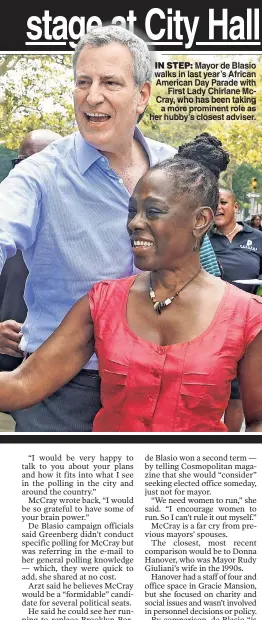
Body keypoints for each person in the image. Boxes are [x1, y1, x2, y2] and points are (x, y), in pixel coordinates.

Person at [0, 26, 220, 432]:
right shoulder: (38, 176)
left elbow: (207, 267)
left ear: (142, 95)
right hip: (64, 388)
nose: (92, 96)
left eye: (110, 82)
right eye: (83, 81)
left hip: (165, 380)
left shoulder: (175, 168)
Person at [0, 133, 262, 433]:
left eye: (153, 211)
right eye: (132, 211)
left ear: (200, 220)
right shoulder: (102, 302)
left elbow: (256, 420)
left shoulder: (247, 316)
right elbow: (24, 384)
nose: (135, 223)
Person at [0, 129, 61, 373]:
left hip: (55, 380)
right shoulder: (5, 225)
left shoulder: (80, 232)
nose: (29, 172)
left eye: (41, 163)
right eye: (22, 162)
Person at [209, 188, 262, 431]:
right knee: (208, 384)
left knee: (238, 392)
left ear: (236, 206)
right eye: (213, 203)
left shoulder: (257, 238)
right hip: (209, 320)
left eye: (223, 202)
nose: (218, 207)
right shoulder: (204, 239)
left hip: (247, 324)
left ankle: (229, 443)